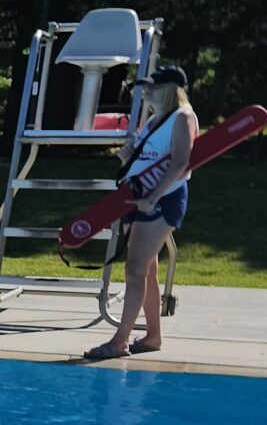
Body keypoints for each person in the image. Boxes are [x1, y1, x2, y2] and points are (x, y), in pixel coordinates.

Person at [84, 65, 197, 361]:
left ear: (170, 89)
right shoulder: (153, 120)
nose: (146, 91)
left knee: (134, 269)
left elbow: (181, 163)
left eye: (152, 87)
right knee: (146, 269)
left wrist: (154, 197)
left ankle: (119, 341)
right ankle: (153, 335)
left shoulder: (182, 118)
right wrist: (126, 155)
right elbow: (145, 157)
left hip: (161, 200)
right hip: (135, 197)